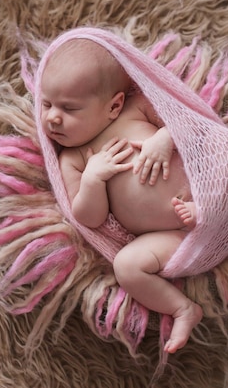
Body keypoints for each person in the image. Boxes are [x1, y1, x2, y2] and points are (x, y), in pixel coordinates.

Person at [39, 38, 203, 353]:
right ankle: (183, 309)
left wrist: (164, 138)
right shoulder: (73, 158)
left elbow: (192, 124)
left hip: (203, 192)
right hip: (171, 235)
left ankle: (209, 209)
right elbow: (89, 217)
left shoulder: (137, 107)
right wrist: (92, 179)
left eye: (68, 108)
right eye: (46, 104)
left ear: (114, 105)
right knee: (126, 267)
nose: (53, 118)